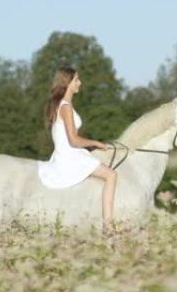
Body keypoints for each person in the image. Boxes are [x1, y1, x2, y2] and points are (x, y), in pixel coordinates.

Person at [37, 66, 117, 231]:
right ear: (68, 83)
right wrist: (96, 143)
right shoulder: (65, 107)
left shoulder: (63, 105)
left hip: (70, 153)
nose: (79, 83)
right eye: (76, 80)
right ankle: (108, 225)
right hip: (69, 156)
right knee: (111, 175)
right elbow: (73, 140)